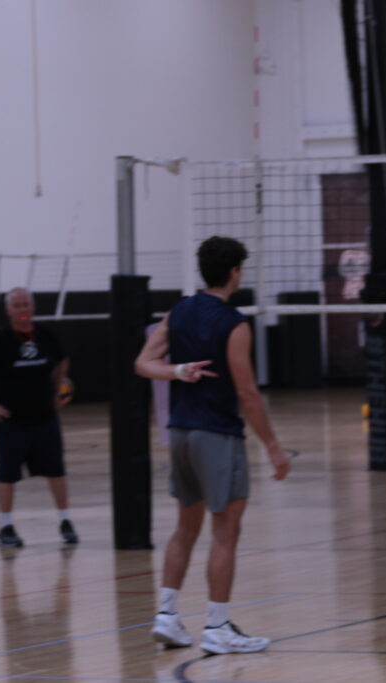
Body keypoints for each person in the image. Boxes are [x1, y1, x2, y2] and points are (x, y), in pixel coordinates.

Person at [135, 236, 291, 654]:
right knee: (225, 533)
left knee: (185, 528)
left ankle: (167, 617)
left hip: (180, 433)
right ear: (235, 271)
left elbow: (143, 364)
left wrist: (178, 370)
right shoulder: (234, 324)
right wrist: (273, 447)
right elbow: (247, 393)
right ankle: (217, 626)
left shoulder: (179, 311)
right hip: (218, 436)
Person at [0, 287, 78, 548]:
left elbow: (63, 360)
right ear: (8, 310)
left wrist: (58, 387)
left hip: (45, 418)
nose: (23, 310)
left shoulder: (46, 336)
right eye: (18, 305)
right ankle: (6, 527)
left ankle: (65, 522)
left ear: (33, 308)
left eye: (26, 304)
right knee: (7, 474)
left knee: (56, 471)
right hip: (11, 421)